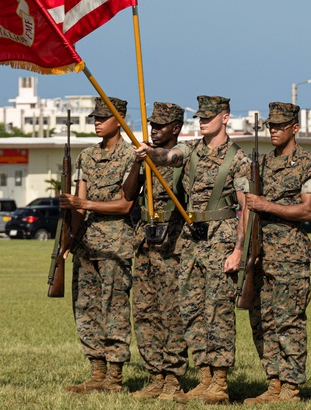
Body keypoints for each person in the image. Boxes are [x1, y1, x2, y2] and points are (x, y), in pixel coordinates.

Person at [137, 95, 251, 405]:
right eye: (200, 117)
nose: (202, 121)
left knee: (219, 312)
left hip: (221, 236)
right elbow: (171, 157)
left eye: (209, 117)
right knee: (192, 311)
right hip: (191, 239)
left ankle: (220, 382)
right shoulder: (191, 150)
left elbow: (246, 208)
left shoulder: (238, 158)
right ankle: (203, 378)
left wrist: (239, 250)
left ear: (225, 118)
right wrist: (153, 153)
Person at [243, 101, 311, 405]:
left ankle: (290, 387)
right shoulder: (260, 164)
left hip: (290, 255)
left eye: (279, 125)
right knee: (261, 320)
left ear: (295, 127)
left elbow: (309, 209)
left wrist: (267, 206)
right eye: (270, 125)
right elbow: (246, 207)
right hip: (260, 253)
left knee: (289, 320)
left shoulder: (309, 164)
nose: (273, 130)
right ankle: (273, 383)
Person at [61, 96, 141, 394]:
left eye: (102, 117)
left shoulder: (130, 156)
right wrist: (70, 239)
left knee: (114, 308)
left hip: (115, 244)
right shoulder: (86, 156)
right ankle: (96, 372)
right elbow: (79, 207)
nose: (96, 122)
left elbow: (124, 205)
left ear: (119, 120)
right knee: (86, 307)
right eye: (94, 117)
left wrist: (82, 202)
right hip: (87, 245)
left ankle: (115, 377)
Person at [130, 102, 188, 401]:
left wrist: (151, 155)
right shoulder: (145, 157)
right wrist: (139, 163)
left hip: (172, 246)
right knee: (144, 312)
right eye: (152, 125)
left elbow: (173, 159)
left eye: (160, 126)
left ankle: (173, 378)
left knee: (171, 314)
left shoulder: (182, 155)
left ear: (175, 128)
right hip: (145, 244)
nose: (154, 130)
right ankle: (155, 375)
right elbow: (128, 196)